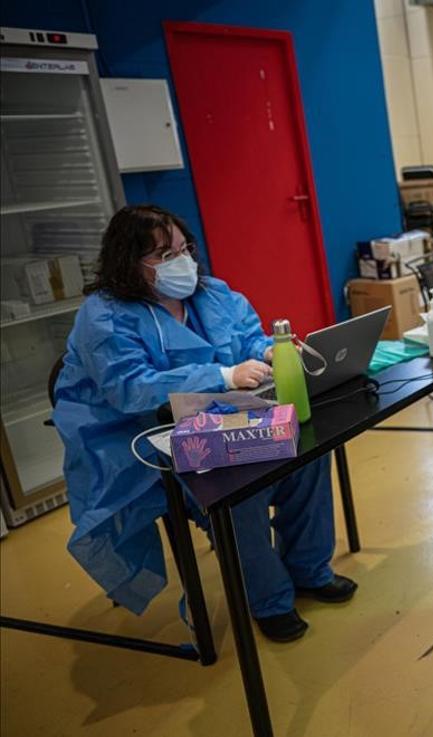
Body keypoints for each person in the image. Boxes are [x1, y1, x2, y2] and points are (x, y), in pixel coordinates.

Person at [53, 205, 357, 643]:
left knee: (309, 454)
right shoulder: (103, 316)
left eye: (184, 249)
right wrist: (223, 376)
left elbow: (246, 337)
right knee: (238, 487)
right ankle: (269, 600)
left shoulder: (211, 293)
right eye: (164, 255)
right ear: (128, 261)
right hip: (143, 440)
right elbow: (130, 389)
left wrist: (268, 351)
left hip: (225, 420)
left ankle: (309, 570)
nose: (181, 262)